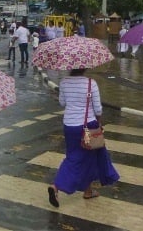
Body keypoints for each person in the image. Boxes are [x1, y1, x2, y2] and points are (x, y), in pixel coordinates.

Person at [48, 68, 119, 207]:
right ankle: (56, 186)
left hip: (69, 126)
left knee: (80, 156)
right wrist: (99, 122)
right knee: (81, 158)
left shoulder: (64, 82)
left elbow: (62, 103)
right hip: (87, 127)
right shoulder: (90, 84)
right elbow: (98, 109)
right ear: (85, 67)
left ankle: (88, 191)